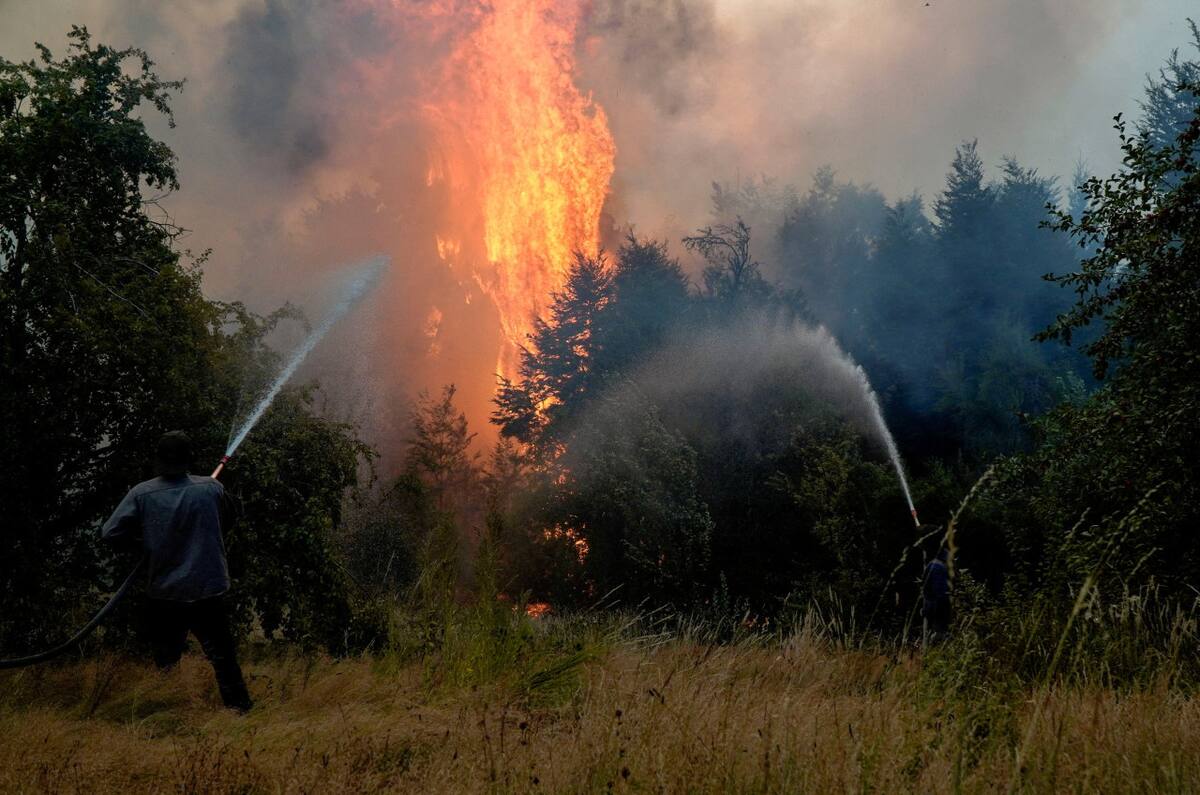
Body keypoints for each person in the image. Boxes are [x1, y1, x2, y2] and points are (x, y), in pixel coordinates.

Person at [102, 431, 252, 712]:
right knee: (224, 659)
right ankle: (241, 712)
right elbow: (230, 517)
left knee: (166, 661)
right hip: (208, 588)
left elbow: (110, 533)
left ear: (158, 461)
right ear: (188, 460)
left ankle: (167, 710)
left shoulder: (142, 493)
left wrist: (144, 543)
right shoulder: (211, 488)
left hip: (166, 593)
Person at [922, 547, 951, 643]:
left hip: (929, 604)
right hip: (937, 605)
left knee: (930, 631)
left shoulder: (931, 564)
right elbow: (939, 590)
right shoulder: (939, 567)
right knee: (939, 632)